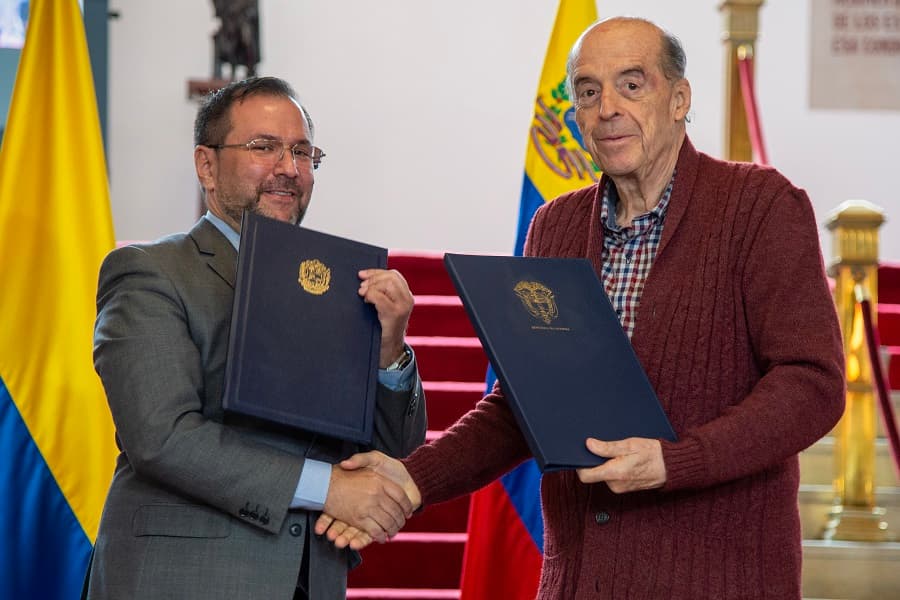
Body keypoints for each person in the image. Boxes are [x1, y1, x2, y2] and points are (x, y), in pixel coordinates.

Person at [320, 17, 846, 599]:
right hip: (580, 580)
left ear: (679, 98)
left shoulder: (761, 207)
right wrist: (413, 479)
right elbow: (526, 403)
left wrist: (678, 462)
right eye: (589, 92)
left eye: (632, 84)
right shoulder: (555, 225)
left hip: (716, 580)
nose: (607, 108)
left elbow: (811, 384)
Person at [82, 76, 427, 600]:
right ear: (207, 166)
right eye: (264, 147)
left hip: (308, 579)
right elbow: (161, 437)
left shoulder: (332, 283)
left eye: (303, 152)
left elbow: (391, 447)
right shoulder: (150, 271)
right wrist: (327, 487)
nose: (289, 168)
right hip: (182, 579)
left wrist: (389, 351)